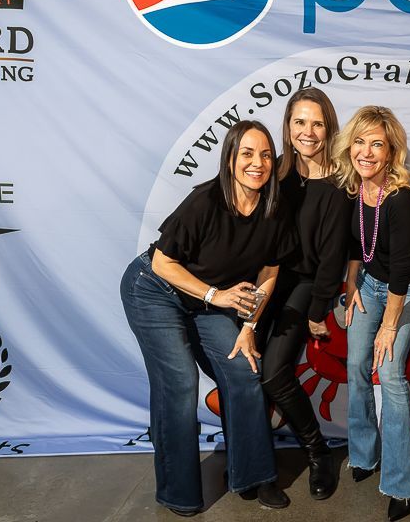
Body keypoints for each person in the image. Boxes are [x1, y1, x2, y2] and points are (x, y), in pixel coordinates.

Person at [120, 120, 295, 516]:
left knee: (244, 372)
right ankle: (177, 491)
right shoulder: (205, 201)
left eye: (265, 154)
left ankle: (254, 477)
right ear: (230, 158)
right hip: (155, 290)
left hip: (210, 301)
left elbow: (269, 273)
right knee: (180, 381)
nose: (258, 162)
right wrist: (217, 296)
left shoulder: (274, 208)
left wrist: (249, 327)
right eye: (247, 153)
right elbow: (164, 262)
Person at [333, 105, 410, 521]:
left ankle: (403, 483)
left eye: (377, 144)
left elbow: (404, 271)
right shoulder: (355, 189)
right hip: (371, 285)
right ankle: (364, 454)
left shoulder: (401, 199)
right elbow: (359, 246)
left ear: (391, 153)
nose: (367, 152)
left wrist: (388, 327)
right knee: (355, 363)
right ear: (349, 146)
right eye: (360, 142)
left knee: (389, 373)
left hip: (405, 291)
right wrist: (352, 285)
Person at [257, 87, 350, 499]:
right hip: (266, 280)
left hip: (307, 284)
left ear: (329, 128)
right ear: (288, 127)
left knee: (275, 371)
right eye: (299, 122)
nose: (308, 131)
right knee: (247, 368)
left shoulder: (340, 182)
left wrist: (317, 311)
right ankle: (255, 460)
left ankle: (318, 452)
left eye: (317, 123)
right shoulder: (275, 172)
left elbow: (333, 255)